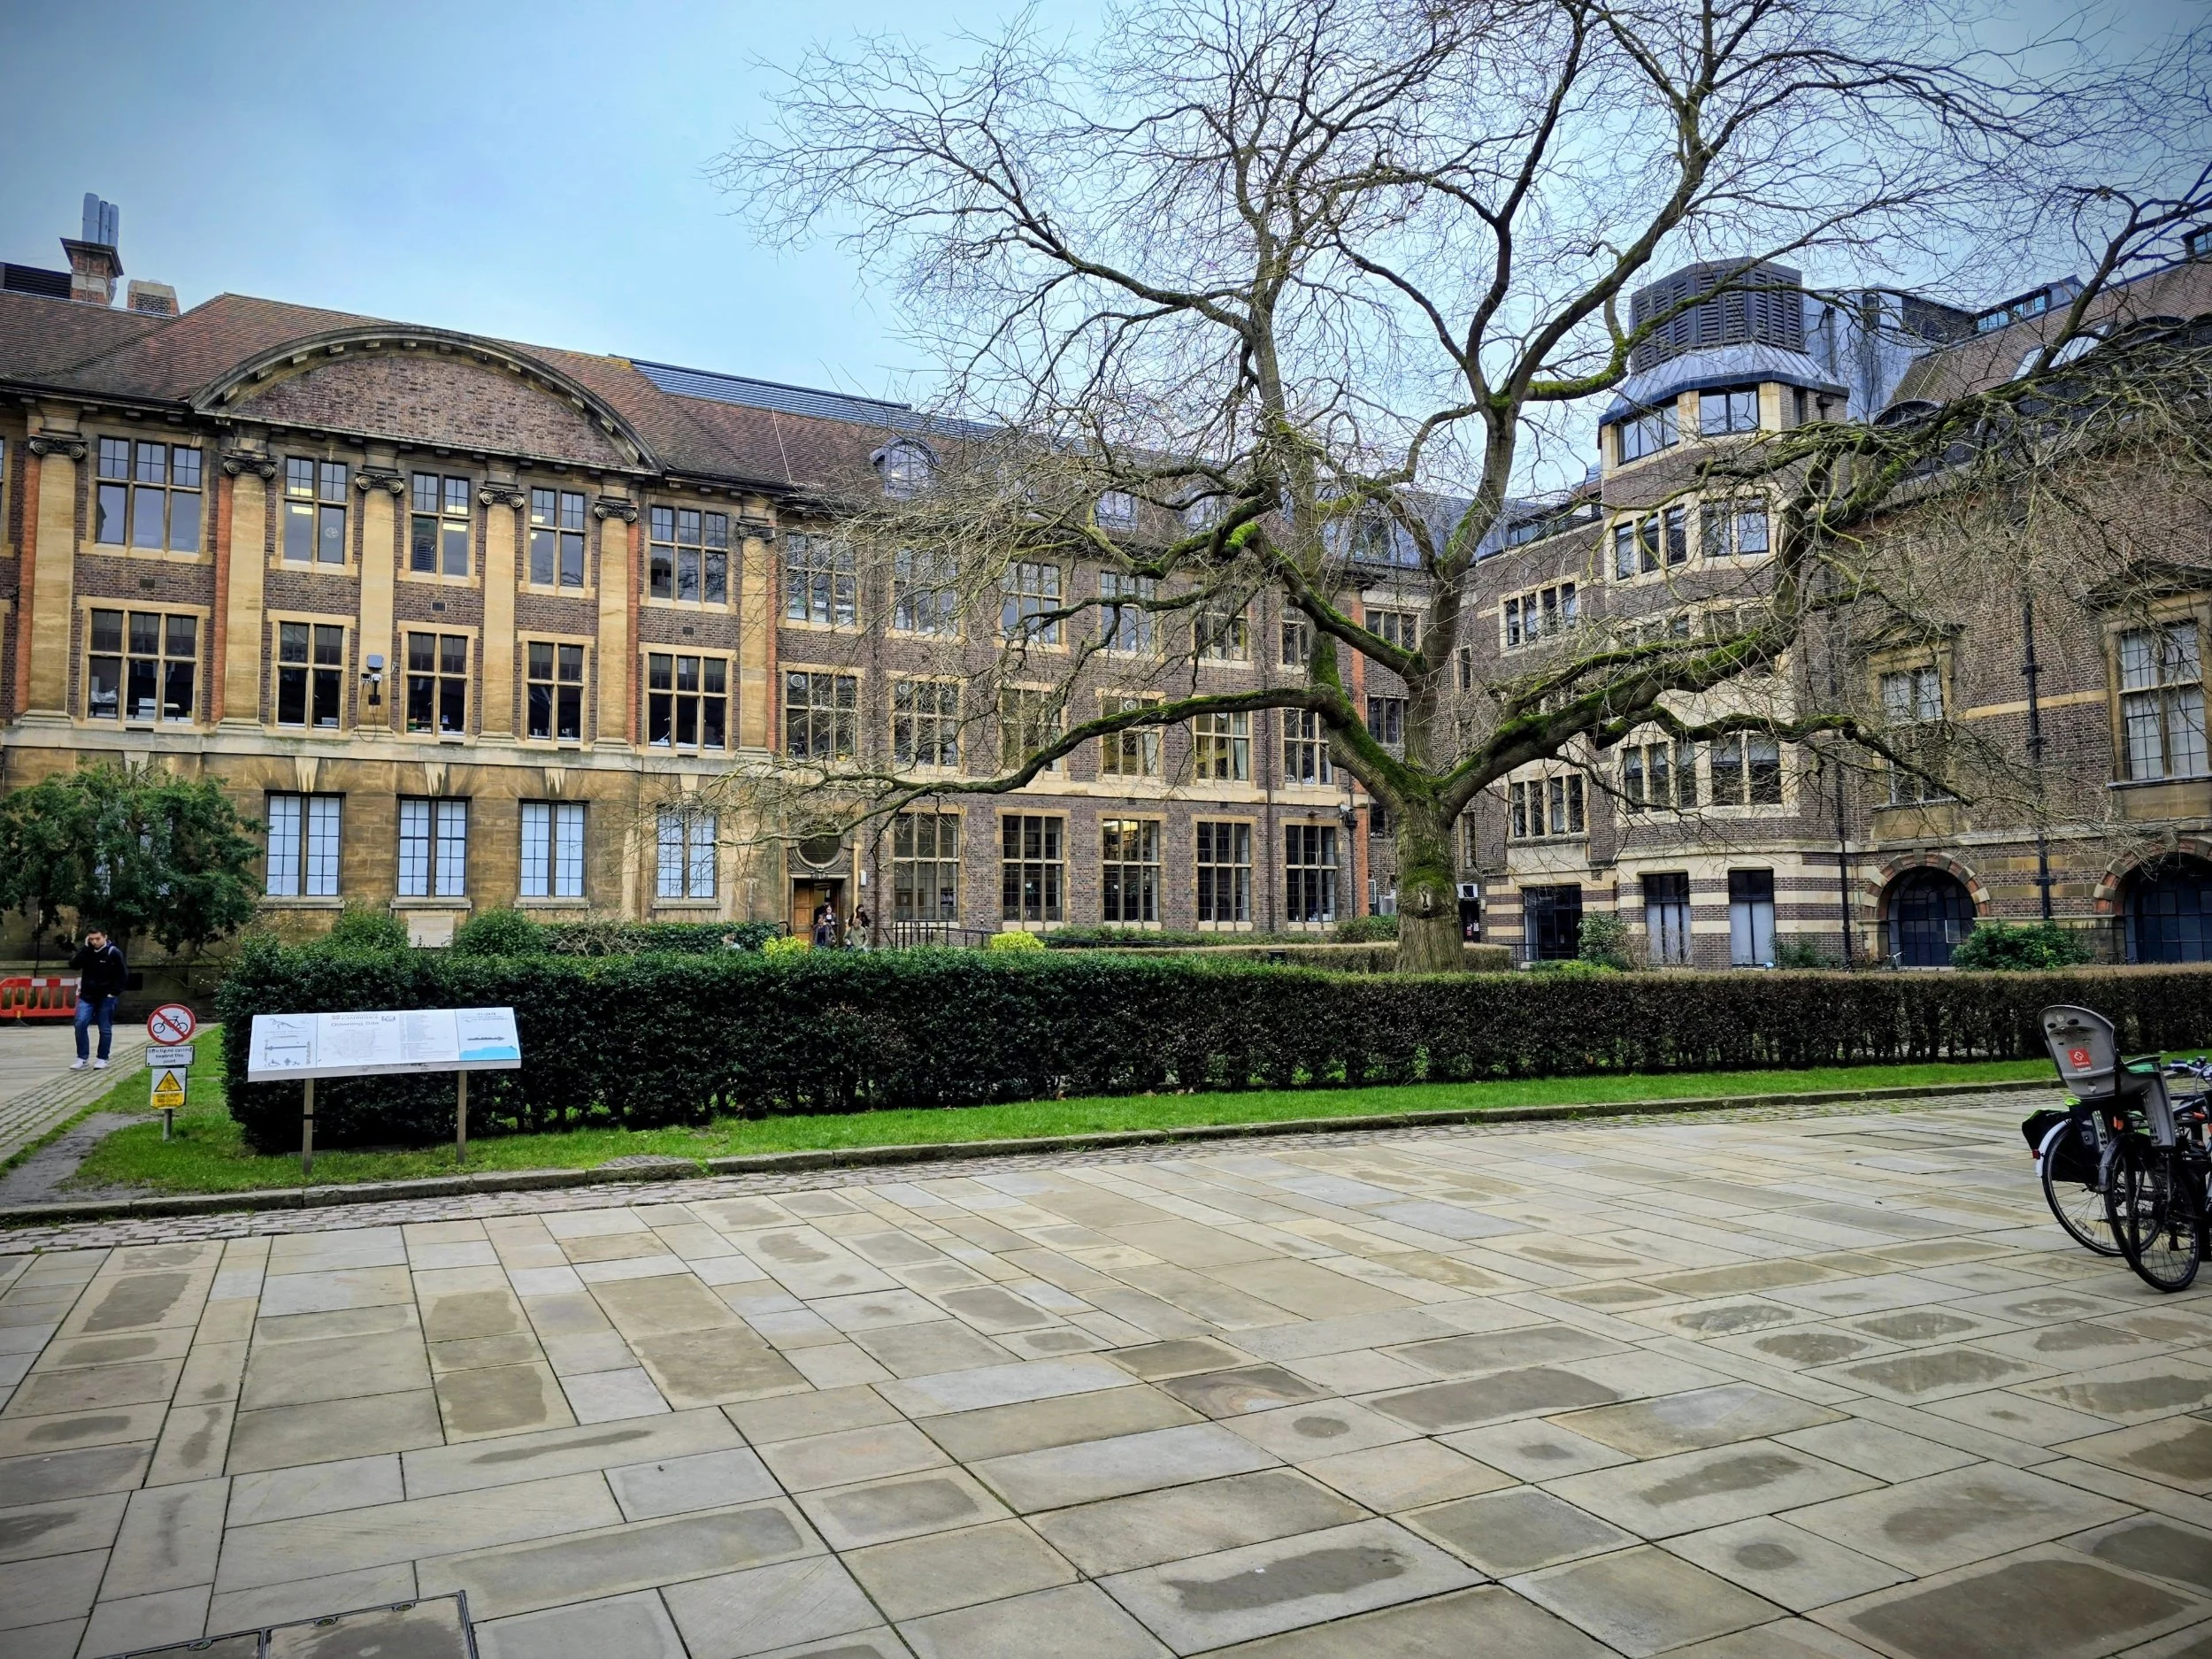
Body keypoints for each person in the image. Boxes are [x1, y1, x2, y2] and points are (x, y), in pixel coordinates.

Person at [69, 927, 127, 1071]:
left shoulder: (113, 952)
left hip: (106, 997)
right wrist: (85, 949)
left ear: (105, 937)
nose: (95, 942)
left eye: (98, 939)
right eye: (92, 939)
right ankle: (82, 1057)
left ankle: (103, 1058)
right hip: (87, 995)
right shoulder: (88, 952)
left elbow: (123, 974)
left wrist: (114, 993)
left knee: (105, 1028)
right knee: (80, 1023)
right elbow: (74, 965)